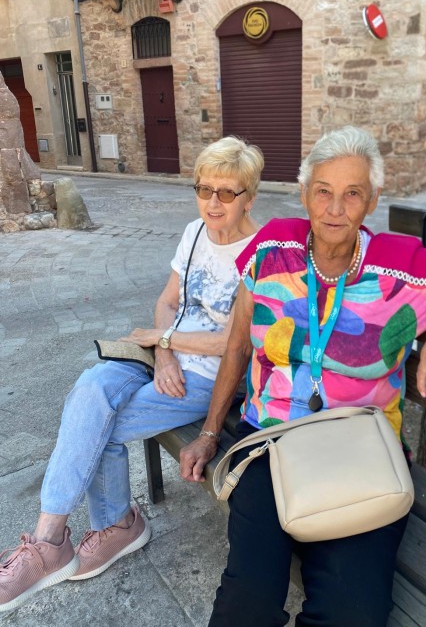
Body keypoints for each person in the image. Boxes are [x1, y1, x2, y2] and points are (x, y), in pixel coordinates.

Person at [180, 125, 426, 627]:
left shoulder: (403, 266)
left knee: (353, 613)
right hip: (269, 442)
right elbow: (237, 343)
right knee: (246, 601)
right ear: (304, 194)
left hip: (363, 450)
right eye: (323, 191)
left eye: (353, 194)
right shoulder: (272, 246)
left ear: (372, 201)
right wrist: (211, 432)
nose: (335, 209)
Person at [0, 136, 264, 614]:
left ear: (250, 196)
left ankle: (116, 527)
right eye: (204, 189)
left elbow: (235, 344)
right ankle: (51, 537)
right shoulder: (195, 232)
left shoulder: (262, 253)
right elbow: (167, 300)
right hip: (161, 358)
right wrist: (162, 352)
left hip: (207, 378)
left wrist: (166, 341)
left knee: (96, 428)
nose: (213, 202)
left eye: (227, 192)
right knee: (88, 391)